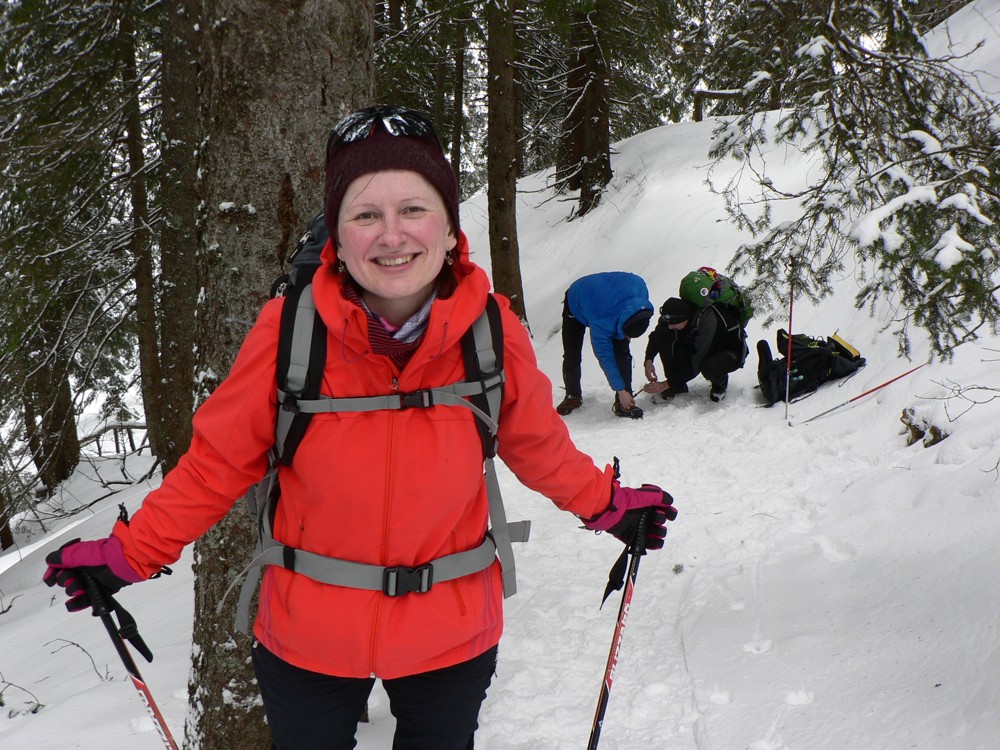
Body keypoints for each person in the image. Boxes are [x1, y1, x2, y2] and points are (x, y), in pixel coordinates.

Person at [42, 105, 678, 750]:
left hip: (451, 627)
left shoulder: (491, 331)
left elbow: (539, 449)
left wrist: (609, 506)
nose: (391, 235)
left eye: (414, 209)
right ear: (338, 237)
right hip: (307, 631)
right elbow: (216, 465)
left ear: (451, 229)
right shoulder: (287, 332)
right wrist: (129, 554)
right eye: (365, 215)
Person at [555, 272, 654, 419]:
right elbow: (605, 356)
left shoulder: (641, 294)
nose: (627, 338)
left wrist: (626, 335)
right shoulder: (601, 319)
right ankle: (573, 395)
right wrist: (619, 389)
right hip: (578, 299)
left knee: (622, 350)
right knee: (572, 353)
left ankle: (623, 403)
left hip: (606, 299)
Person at [642, 296, 748, 402]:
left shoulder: (707, 321)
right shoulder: (672, 316)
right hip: (701, 342)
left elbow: (696, 363)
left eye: (673, 324)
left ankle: (720, 383)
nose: (670, 326)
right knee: (668, 336)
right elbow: (657, 337)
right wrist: (649, 360)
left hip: (729, 351)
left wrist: (666, 384)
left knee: (708, 366)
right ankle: (678, 386)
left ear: (685, 319)